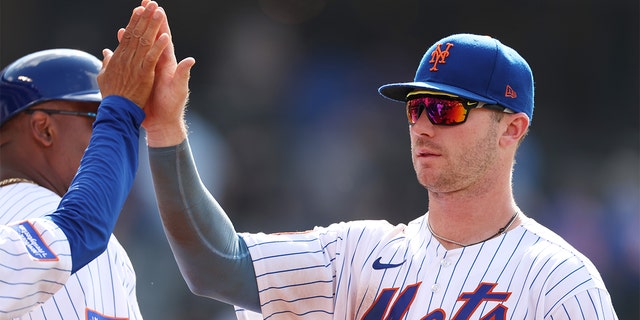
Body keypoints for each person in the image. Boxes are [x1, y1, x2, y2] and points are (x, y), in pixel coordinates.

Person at [145, 31, 619, 318]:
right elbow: (213, 265)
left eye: (445, 108)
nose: (424, 126)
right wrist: (166, 128)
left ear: (511, 129)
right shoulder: (358, 253)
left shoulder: (559, 280)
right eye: (415, 108)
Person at [0, 1, 187, 318]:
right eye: (97, 118)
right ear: (44, 129)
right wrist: (122, 111)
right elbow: (80, 227)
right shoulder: (57, 221)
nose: (105, 135)